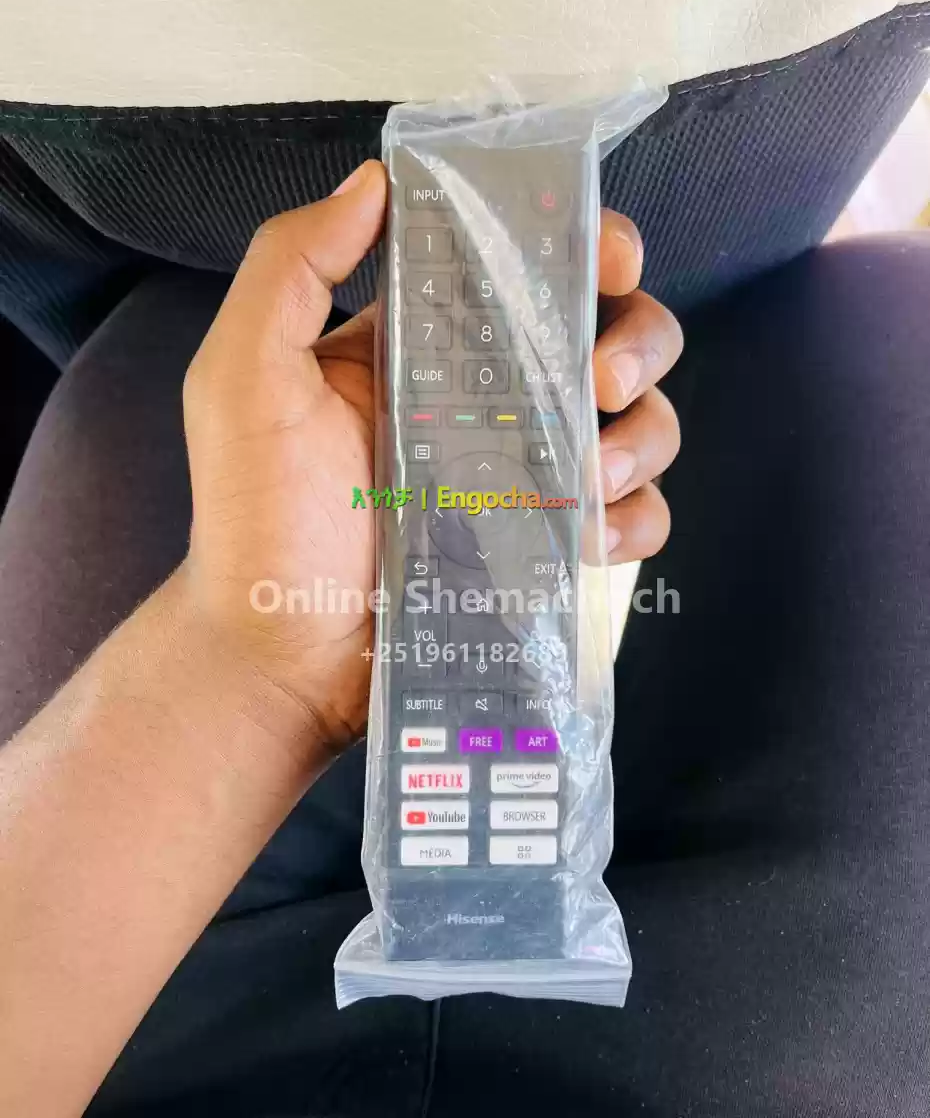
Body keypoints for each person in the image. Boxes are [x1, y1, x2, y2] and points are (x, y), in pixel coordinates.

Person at [1, 161, 928, 1116]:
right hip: (722, 1055)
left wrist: (246, 661)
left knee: (162, 329)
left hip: (134, 1018)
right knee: (878, 304)